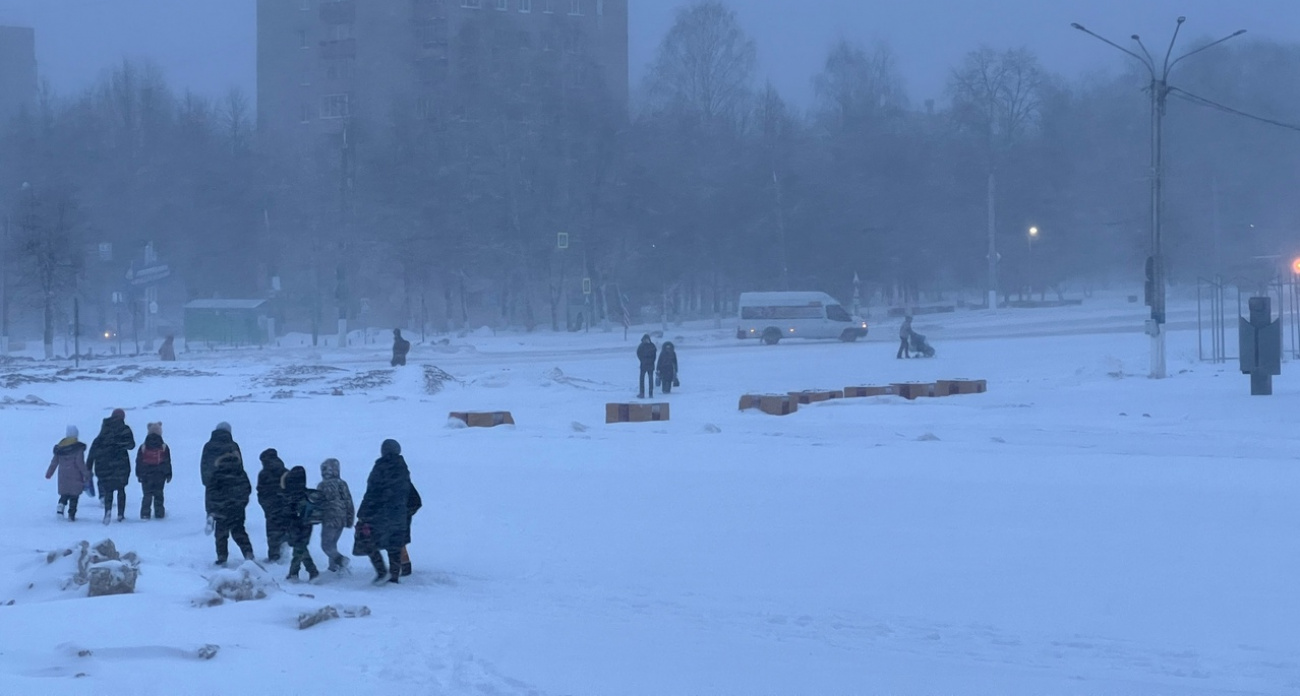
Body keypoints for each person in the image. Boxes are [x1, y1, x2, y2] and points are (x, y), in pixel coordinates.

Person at [357, 439, 413, 585]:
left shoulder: (380, 467)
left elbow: (372, 493)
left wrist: (363, 514)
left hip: (380, 515)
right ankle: (394, 576)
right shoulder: (404, 470)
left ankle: (382, 572)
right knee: (394, 545)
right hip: (399, 516)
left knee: (368, 541)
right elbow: (411, 496)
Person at [87, 408, 135, 524]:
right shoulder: (124, 429)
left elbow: (94, 447)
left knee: (108, 490)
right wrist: (119, 445)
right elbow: (131, 445)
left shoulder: (105, 429)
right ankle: (120, 514)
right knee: (121, 489)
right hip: (121, 464)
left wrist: (88, 466)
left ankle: (107, 512)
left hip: (104, 465)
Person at [206, 452, 256, 566]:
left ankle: (222, 557)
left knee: (221, 535)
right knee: (239, 532)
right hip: (237, 509)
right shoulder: (240, 472)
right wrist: (242, 503)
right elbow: (247, 489)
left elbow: (211, 491)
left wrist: (214, 506)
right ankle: (248, 553)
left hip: (221, 509)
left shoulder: (217, 473)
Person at [280, 466, 320, 582]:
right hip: (307, 523)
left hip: (294, 524)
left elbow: (287, 512)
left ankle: (312, 571)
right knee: (300, 547)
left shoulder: (290, 495)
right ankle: (294, 573)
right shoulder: (305, 493)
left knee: (299, 547)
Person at [200, 422, 241, 531]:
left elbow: (204, 462)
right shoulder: (232, 445)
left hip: (211, 476)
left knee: (211, 496)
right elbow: (238, 462)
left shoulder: (208, 445)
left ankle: (211, 514)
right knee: (227, 497)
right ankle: (227, 517)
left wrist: (205, 478)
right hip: (228, 477)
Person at [317, 458, 356, 573]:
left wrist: (316, 518)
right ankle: (333, 567)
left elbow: (318, 503)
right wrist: (349, 519)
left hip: (329, 518)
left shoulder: (322, 485)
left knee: (326, 545)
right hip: (342, 519)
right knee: (333, 543)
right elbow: (349, 502)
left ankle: (341, 560)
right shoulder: (342, 484)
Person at [46, 425, 89, 521]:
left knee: (64, 494)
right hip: (75, 475)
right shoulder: (78, 448)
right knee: (74, 496)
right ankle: (71, 515)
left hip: (63, 475)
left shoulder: (60, 448)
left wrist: (49, 473)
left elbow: (54, 462)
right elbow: (80, 463)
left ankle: (60, 506)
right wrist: (86, 473)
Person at [257, 448, 291, 563]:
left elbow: (260, 491)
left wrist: (265, 505)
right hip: (285, 507)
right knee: (285, 528)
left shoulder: (264, 474)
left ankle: (274, 556)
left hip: (271, 508)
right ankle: (285, 549)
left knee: (272, 532)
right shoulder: (286, 471)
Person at [135, 422, 172, 520]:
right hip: (160, 474)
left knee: (147, 494)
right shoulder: (164, 446)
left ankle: (145, 514)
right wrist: (168, 474)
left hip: (146, 474)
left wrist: (139, 474)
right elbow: (167, 461)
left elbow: (139, 461)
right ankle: (159, 513)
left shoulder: (143, 446)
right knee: (159, 494)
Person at [400, 483, 423, 577]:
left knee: (399, 545)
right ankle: (402, 568)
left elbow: (415, 502)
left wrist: (404, 514)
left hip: (398, 519)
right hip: (392, 518)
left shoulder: (404, 482)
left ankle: (404, 569)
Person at [636, 334, 657, 399]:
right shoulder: (651, 346)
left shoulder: (645, 346)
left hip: (646, 364)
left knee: (648, 379)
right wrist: (644, 360)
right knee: (644, 379)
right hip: (647, 364)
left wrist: (643, 360)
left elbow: (654, 356)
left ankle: (648, 393)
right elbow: (638, 354)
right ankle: (644, 393)